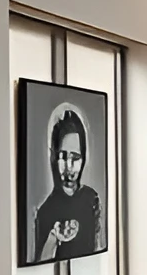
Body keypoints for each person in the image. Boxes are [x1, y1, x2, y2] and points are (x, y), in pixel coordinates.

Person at [31, 106, 103, 263]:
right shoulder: (45, 212)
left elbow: (98, 250)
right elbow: (39, 265)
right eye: (63, 157)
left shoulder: (92, 200)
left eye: (75, 158)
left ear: (83, 158)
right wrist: (54, 238)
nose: (69, 166)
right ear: (54, 158)